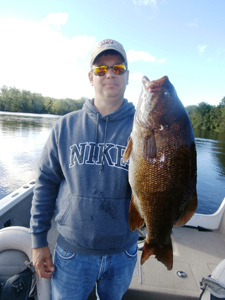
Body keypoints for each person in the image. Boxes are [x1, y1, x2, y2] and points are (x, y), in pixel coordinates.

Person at [30, 38, 139, 300]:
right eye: (101, 69)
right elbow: (45, 183)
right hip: (72, 252)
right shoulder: (65, 127)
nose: (109, 74)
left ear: (127, 76)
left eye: (117, 68)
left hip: (123, 251)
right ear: (91, 77)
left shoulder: (145, 130)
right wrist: (38, 241)